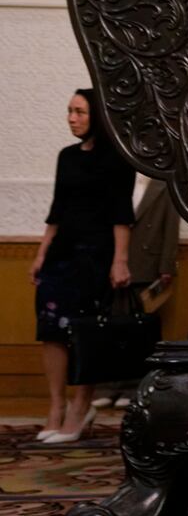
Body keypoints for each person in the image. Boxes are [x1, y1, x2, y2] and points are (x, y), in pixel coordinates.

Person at [28, 89, 135, 444]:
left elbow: (122, 214)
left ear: (98, 117)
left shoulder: (118, 158)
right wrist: (42, 253)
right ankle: (55, 408)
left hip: (95, 254)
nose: (72, 118)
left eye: (80, 112)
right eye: (69, 111)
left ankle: (80, 407)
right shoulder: (67, 157)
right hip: (61, 253)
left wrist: (120, 261)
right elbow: (56, 210)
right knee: (50, 329)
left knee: (84, 331)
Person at [93, 176, 180, 409]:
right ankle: (108, 386)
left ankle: (134, 386)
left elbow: (171, 224)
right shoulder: (114, 177)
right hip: (111, 261)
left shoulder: (165, 182)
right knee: (108, 327)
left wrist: (166, 266)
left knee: (139, 331)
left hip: (146, 264)